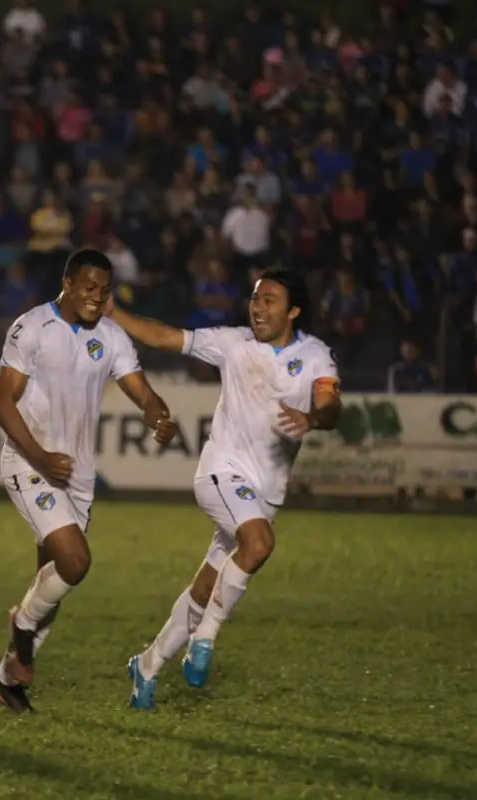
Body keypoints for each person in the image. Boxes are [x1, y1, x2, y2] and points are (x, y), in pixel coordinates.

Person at [107, 267, 343, 710]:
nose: (258, 307)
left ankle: (147, 664)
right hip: (221, 473)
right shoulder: (234, 343)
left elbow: (330, 405)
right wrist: (115, 312)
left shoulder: (316, 356)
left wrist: (313, 418)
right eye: (255, 298)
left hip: (264, 493)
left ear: (292, 310)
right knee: (259, 543)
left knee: (207, 586)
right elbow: (163, 336)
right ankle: (205, 639)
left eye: (270, 299)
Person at [0, 248, 178, 713]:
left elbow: (142, 392)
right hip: (30, 463)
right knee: (74, 562)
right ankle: (21, 629)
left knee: (50, 581)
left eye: (105, 290)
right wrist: (41, 458)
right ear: (68, 283)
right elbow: (2, 405)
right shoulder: (30, 328)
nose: (97, 297)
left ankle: (6, 680)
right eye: (89, 287)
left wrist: (159, 416)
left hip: (77, 475)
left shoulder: (111, 337)